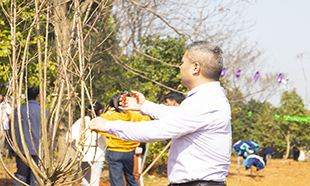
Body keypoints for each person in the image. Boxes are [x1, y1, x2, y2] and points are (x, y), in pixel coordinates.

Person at [89, 41, 231, 186]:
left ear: (195, 68)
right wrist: (144, 106)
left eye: (182, 62)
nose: (180, 67)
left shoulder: (204, 101)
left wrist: (108, 125)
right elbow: (177, 115)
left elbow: (156, 130)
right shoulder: (210, 98)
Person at [99, 93, 150, 186]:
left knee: (116, 180)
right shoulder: (133, 115)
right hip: (130, 152)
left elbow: (98, 126)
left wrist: (108, 113)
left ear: (112, 106)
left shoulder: (109, 117)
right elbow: (147, 120)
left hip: (114, 151)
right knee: (130, 178)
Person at [11, 86, 49, 186]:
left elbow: (13, 131)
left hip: (22, 149)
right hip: (39, 151)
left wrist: (11, 149)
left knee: (21, 176)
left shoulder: (18, 111)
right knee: (36, 177)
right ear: (38, 96)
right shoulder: (44, 112)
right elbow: (49, 132)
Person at [69, 102, 106, 186]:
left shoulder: (81, 121)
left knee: (85, 180)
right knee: (94, 181)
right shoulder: (102, 122)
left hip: (84, 155)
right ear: (100, 111)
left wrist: (77, 148)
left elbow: (69, 136)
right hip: (98, 156)